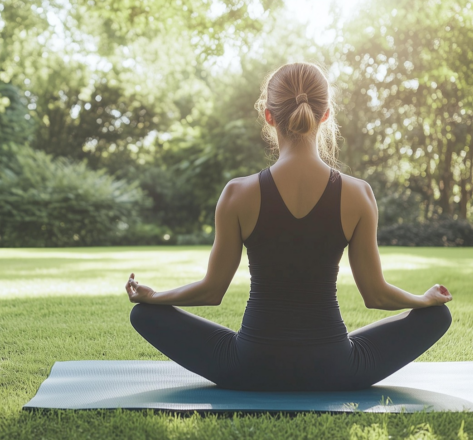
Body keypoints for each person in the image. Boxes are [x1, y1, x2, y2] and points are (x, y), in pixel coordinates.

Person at [123, 62, 453, 392]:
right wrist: (423, 301)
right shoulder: (358, 194)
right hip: (335, 368)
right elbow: (376, 295)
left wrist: (155, 296)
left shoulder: (237, 193)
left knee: (144, 314)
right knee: (438, 317)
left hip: (249, 367)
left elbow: (212, 291)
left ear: (268, 116)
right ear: (325, 115)